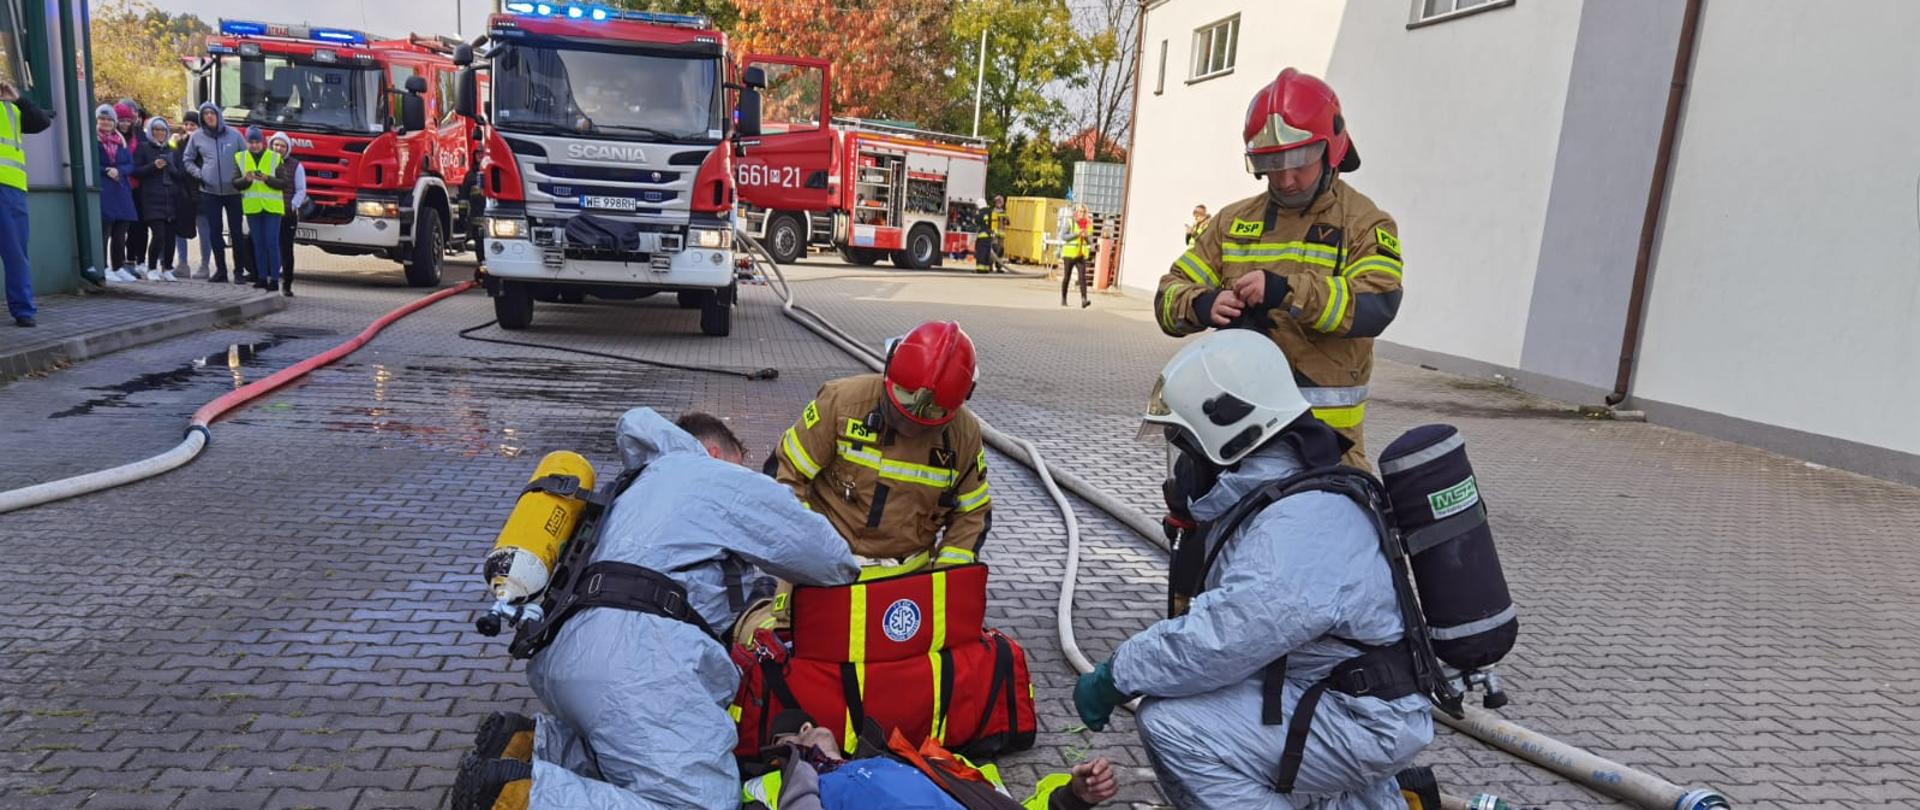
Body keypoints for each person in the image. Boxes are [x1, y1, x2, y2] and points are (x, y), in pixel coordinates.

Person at [1073, 330, 1432, 809]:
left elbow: (1224, 636)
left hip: (1361, 718)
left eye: (1188, 445)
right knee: (1232, 707)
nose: (1184, 465)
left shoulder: (1301, 522)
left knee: (1173, 726)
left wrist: (1117, 672)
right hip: (1343, 695)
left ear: (1229, 432)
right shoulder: (1285, 494)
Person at [449, 408, 861, 810]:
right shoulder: (717, 476)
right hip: (634, 662)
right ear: (717, 453)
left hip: (566, 655)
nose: (746, 473)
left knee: (630, 758)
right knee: (703, 800)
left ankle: (526, 745)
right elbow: (830, 560)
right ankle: (517, 796)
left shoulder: (640, 481)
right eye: (741, 462)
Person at [1152, 68, 1404, 469]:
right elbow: (1167, 295)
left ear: (1332, 148)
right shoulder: (1230, 223)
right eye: (1272, 163)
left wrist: (1287, 292)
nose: (1286, 178)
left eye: (1300, 160)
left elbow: (1377, 302)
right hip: (1234, 444)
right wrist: (1202, 304)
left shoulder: (1365, 223)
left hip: (1327, 454)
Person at [771, 320, 991, 577]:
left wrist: (947, 579)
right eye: (904, 403)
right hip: (826, 572)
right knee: (780, 619)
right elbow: (784, 477)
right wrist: (811, 550)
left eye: (928, 415)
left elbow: (971, 512)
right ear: (888, 370)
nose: (910, 421)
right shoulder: (842, 404)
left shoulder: (963, 434)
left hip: (908, 582)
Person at [741, 713, 1119, 809]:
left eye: (807, 723)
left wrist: (1073, 796)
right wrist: (797, 764)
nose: (805, 728)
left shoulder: (924, 760)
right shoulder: (772, 789)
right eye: (787, 739)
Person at [0, 79, 51, 327]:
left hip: (10, 189)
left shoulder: (11, 107)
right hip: (10, 192)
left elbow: (42, 122)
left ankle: (23, 310)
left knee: (15, 254)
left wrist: (18, 98)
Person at [184, 101, 249, 284]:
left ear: (218, 115)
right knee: (215, 232)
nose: (209, 117)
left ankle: (238, 272)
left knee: (236, 232)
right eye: (205, 114)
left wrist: (242, 180)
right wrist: (200, 174)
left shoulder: (235, 135)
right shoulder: (197, 136)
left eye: (212, 113)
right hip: (209, 191)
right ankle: (221, 271)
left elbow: (246, 159)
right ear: (202, 118)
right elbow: (187, 159)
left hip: (233, 191)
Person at [232, 126, 288, 292]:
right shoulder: (240, 157)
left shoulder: (275, 158)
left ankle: (274, 279)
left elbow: (283, 183)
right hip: (253, 207)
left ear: (263, 142)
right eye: (251, 142)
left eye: (257, 142)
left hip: (272, 208)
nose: (254, 145)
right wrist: (246, 179)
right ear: (247, 142)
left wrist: (266, 178)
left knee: (272, 243)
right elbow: (235, 183)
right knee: (258, 243)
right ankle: (262, 277)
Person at [95, 104, 139, 283]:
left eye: (109, 119)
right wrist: (106, 170)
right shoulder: (93, 141)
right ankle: (103, 267)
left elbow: (130, 164)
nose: (105, 122)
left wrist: (119, 171)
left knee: (121, 231)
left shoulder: (120, 140)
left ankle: (118, 266)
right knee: (105, 231)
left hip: (121, 190)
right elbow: (91, 163)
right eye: (102, 119)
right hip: (105, 190)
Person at [132, 117, 179, 281]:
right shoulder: (143, 148)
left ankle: (167, 268)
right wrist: (153, 166)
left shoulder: (171, 149)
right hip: (151, 198)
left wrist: (170, 166)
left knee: (170, 237)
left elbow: (179, 175)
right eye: (156, 130)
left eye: (163, 130)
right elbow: (136, 171)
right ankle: (152, 267)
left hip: (171, 198)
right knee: (158, 235)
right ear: (151, 131)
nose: (159, 133)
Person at [269, 131, 305, 297]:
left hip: (287, 215)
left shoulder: (296, 166)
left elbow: (301, 190)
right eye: (276, 145)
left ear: (287, 148)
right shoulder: (265, 162)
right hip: (268, 213)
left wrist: (293, 205)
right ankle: (270, 280)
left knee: (286, 250)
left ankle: (287, 284)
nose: (279, 148)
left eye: (283, 146)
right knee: (270, 247)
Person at [170, 113, 206, 277]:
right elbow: (172, 161)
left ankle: (204, 266)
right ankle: (182, 264)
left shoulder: (206, 144)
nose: (190, 128)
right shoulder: (178, 144)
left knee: (205, 231)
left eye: (193, 125)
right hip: (183, 193)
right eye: (187, 124)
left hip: (202, 193)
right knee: (180, 230)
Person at [115, 103, 149, 269]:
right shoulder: (112, 138)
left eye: (129, 120)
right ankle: (119, 263)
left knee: (139, 226)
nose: (126, 123)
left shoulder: (139, 137)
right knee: (119, 228)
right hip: (119, 186)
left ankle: (137, 260)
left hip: (137, 186)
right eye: (122, 120)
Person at [1059, 203, 1093, 309]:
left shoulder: (1088, 225)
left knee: (1082, 277)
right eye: (1080, 211)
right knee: (1067, 277)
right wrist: (1077, 234)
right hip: (1069, 255)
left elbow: (1090, 241)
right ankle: (1064, 298)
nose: (1082, 213)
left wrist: (1086, 237)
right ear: (1076, 212)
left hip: (1080, 255)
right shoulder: (1070, 222)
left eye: (1084, 211)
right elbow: (1063, 236)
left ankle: (1084, 299)